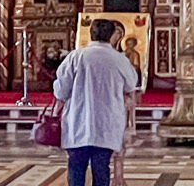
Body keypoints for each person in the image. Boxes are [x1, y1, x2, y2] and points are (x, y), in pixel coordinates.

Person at [54, 17, 140, 186]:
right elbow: (131, 84)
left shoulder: (76, 57)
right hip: (106, 123)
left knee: (76, 168)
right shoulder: (120, 60)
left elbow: (61, 90)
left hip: (78, 121)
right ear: (112, 36)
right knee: (101, 169)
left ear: (91, 33)